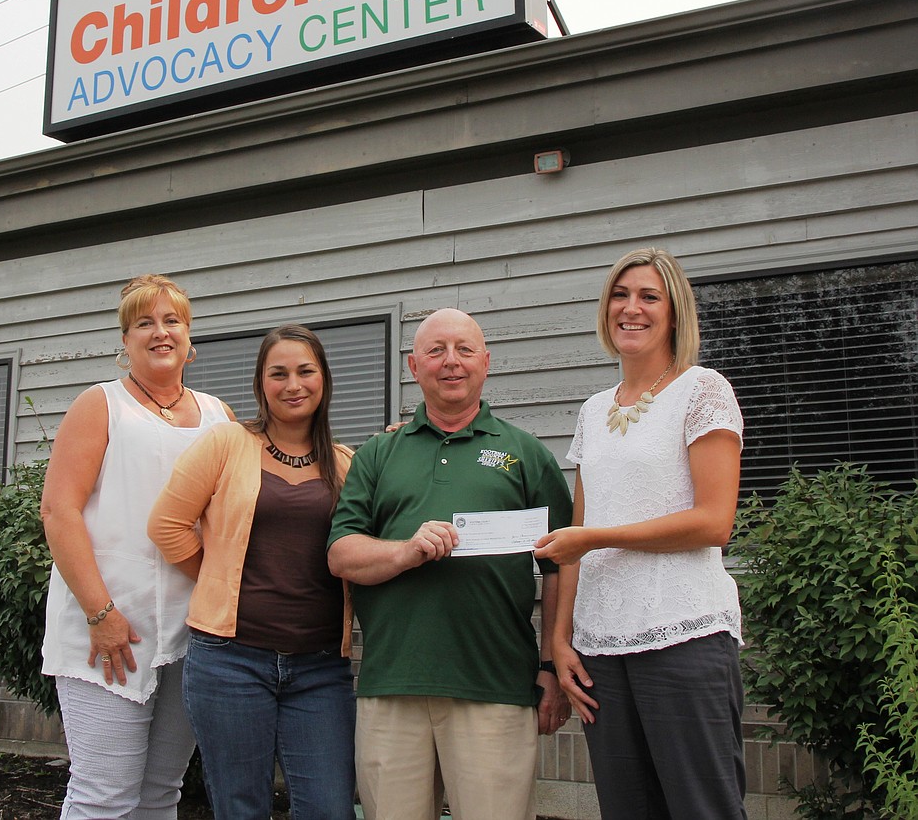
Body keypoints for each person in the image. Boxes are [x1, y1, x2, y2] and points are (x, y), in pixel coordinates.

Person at [327, 307, 573, 820]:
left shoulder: (525, 454)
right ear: (414, 367)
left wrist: (550, 665)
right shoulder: (379, 453)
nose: (451, 362)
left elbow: (561, 568)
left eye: (464, 350)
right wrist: (405, 550)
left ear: (486, 362)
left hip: (496, 685)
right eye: (436, 351)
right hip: (392, 684)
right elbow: (341, 554)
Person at [534, 247, 748, 820]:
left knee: (703, 809)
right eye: (620, 296)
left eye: (649, 296)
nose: (632, 308)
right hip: (602, 649)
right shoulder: (592, 410)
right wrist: (559, 641)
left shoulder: (703, 390)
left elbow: (713, 521)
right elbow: (576, 532)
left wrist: (598, 538)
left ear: (674, 312)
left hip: (684, 636)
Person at [40, 274, 234, 819]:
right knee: (103, 797)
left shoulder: (221, 417)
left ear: (190, 338)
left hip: (193, 635)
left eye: (172, 321)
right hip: (110, 627)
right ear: (125, 340)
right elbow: (59, 511)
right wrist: (100, 614)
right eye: (144, 323)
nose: (160, 332)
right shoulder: (100, 406)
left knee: (160, 793)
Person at [147, 324, 356, 820]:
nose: (293, 384)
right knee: (241, 808)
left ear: (323, 379)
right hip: (230, 663)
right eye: (278, 373)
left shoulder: (346, 465)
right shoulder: (226, 443)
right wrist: (221, 578)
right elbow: (168, 525)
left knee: (330, 808)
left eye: (305, 371)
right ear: (261, 383)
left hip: (320, 667)